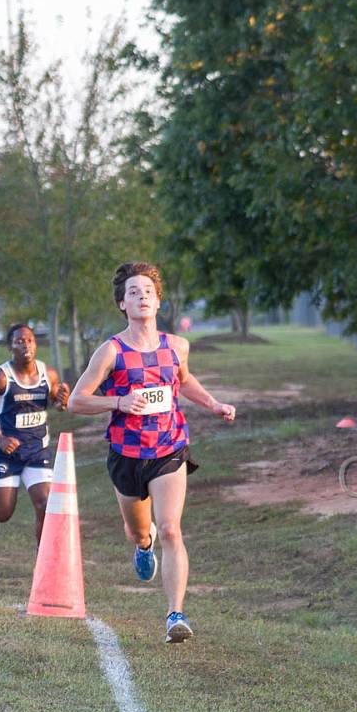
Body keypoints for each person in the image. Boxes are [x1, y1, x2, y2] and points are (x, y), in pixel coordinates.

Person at [68, 262, 236, 643]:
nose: (141, 296)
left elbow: (184, 379)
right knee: (138, 530)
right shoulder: (111, 351)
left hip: (169, 448)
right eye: (133, 292)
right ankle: (143, 546)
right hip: (127, 455)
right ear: (122, 304)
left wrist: (213, 404)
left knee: (171, 528)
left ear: (159, 301)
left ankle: (176, 614)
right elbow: (77, 401)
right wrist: (119, 402)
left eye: (148, 291)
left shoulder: (177, 346)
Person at [0, 324, 70, 548]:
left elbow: (56, 402)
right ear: (10, 347)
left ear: (35, 344)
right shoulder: (0, 378)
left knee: (46, 504)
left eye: (30, 340)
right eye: (19, 341)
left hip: (37, 450)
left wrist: (62, 401)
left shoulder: (48, 374)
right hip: (6, 452)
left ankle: (43, 561)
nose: (25, 345)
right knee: (2, 514)